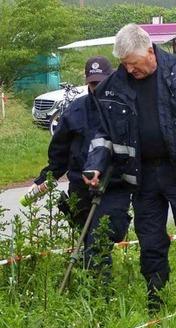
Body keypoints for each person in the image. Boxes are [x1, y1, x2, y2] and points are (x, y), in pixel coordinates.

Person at [83, 24, 176, 312]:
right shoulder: (113, 86)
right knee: (150, 243)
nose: (129, 70)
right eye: (124, 65)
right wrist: (95, 164)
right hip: (142, 177)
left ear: (150, 51)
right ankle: (156, 304)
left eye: (133, 64)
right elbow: (102, 133)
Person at [31, 56, 131, 282]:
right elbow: (59, 154)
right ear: (87, 82)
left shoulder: (124, 108)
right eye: (94, 83)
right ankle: (92, 290)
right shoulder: (74, 111)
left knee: (101, 237)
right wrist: (43, 180)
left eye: (102, 82)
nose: (98, 87)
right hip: (80, 187)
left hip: (113, 187)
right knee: (88, 240)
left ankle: (101, 297)